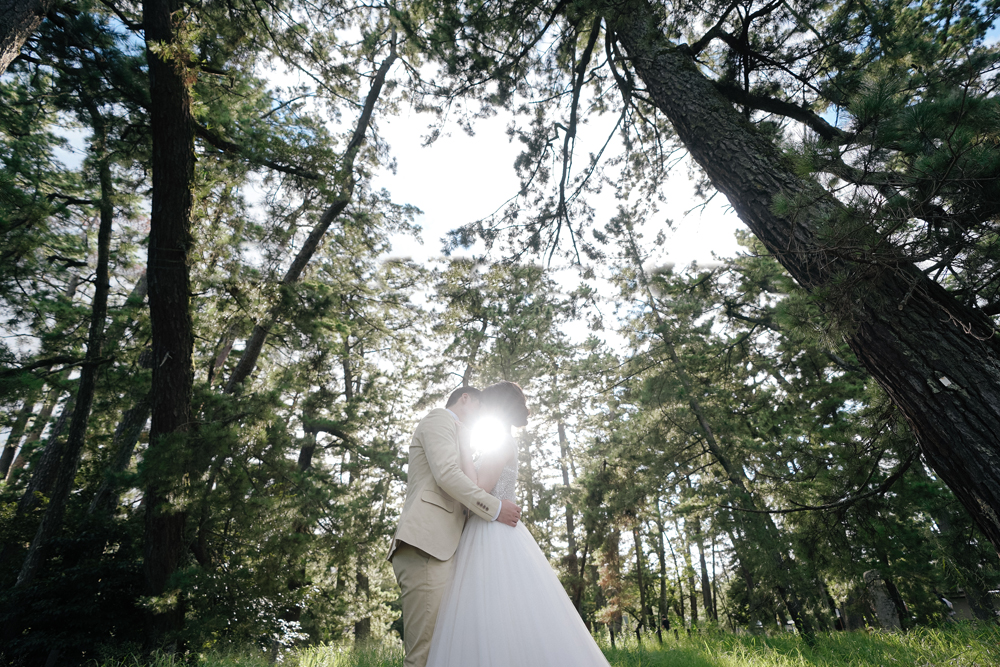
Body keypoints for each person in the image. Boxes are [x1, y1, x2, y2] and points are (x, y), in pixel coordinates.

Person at [425, 381, 612, 667]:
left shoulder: (500, 441)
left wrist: (463, 443)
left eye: (485, 404)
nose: (480, 409)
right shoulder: (501, 441)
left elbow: (479, 487)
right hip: (489, 525)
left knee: (493, 607)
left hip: (491, 532)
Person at [388, 386, 522, 667]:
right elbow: (447, 475)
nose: (482, 415)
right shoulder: (440, 418)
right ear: (465, 398)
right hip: (426, 544)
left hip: (444, 547)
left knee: (443, 649)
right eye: (480, 407)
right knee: (423, 654)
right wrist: (495, 507)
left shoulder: (460, 434)